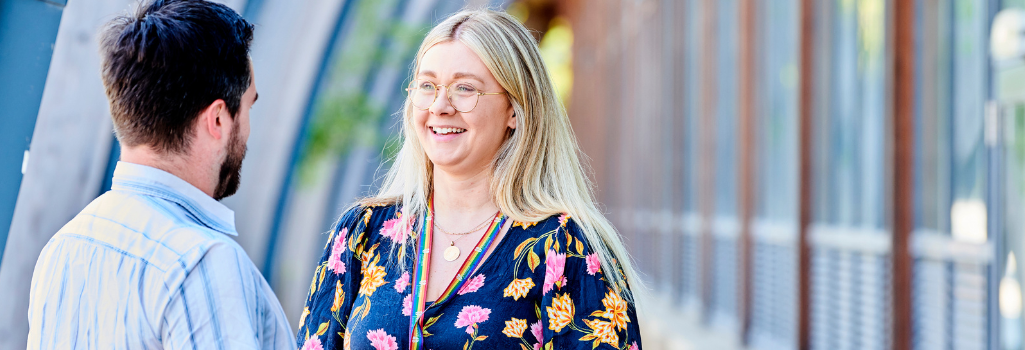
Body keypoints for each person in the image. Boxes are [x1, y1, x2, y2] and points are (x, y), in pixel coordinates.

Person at [297, 9, 643, 350]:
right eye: (427, 85)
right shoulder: (364, 232)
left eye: (465, 88)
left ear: (515, 110)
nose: (440, 105)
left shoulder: (565, 247)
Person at [26, 0, 295, 348]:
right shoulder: (200, 263)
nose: (247, 128)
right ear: (217, 120)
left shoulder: (62, 250)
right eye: (247, 107)